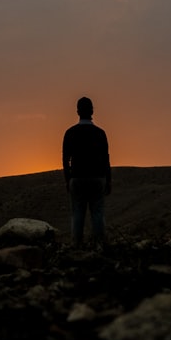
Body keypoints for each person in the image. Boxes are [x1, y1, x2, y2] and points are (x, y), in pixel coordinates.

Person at [61, 96, 111, 247]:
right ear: (92, 111)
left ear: (77, 111)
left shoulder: (70, 133)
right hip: (97, 177)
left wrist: (67, 179)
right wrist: (108, 180)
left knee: (77, 213)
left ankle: (76, 245)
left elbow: (65, 159)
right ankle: (100, 245)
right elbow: (106, 159)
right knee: (97, 212)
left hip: (77, 177)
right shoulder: (100, 133)